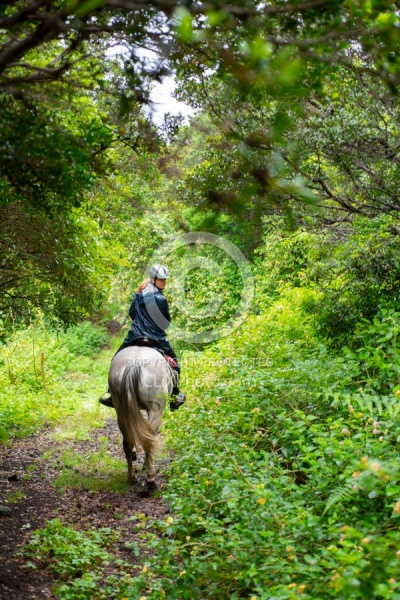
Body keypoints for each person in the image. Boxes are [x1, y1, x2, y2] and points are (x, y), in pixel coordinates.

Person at [99, 264, 186, 411]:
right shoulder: (161, 299)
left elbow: (132, 313)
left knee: (116, 359)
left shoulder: (138, 295)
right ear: (153, 279)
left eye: (165, 279)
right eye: (161, 279)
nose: (164, 282)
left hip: (135, 335)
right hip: (157, 338)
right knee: (176, 364)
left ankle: (111, 394)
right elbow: (165, 322)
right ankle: (175, 396)